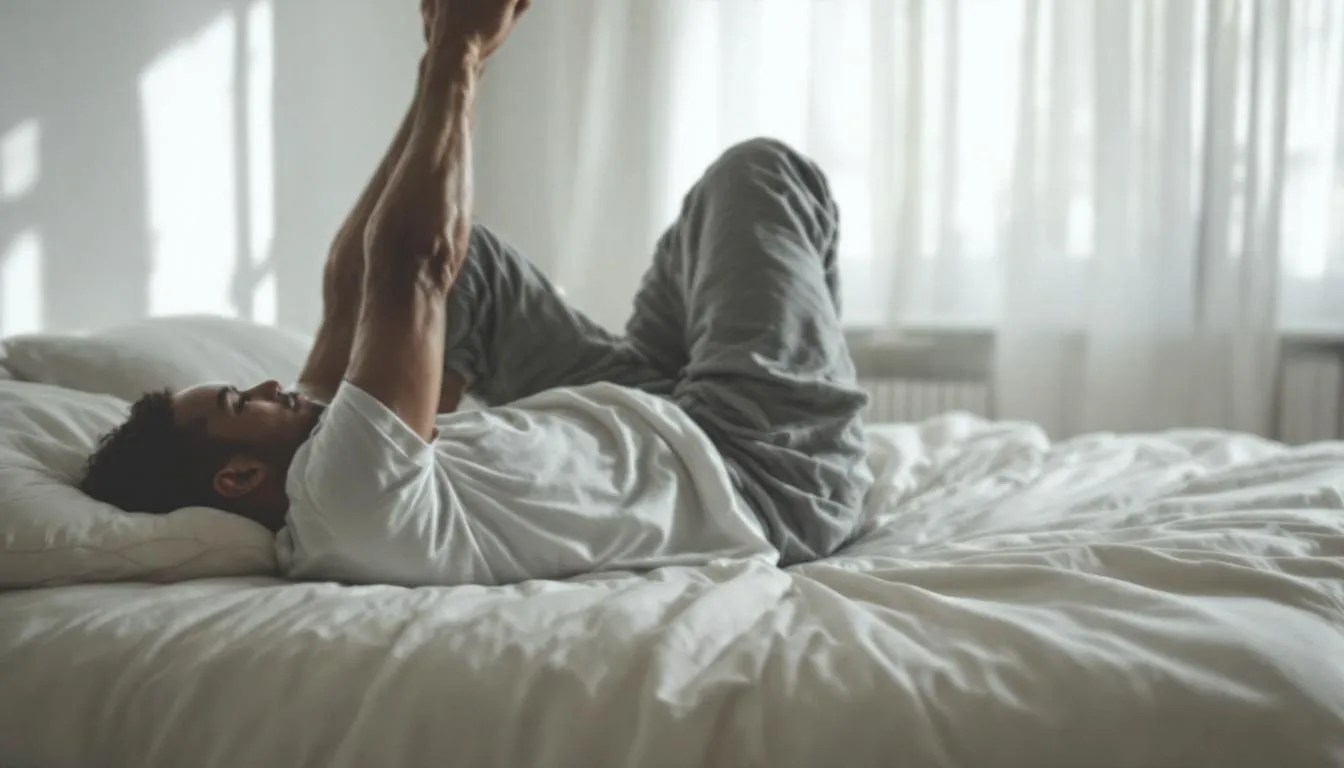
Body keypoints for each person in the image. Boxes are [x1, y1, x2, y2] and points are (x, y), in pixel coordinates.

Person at [79, 0, 873, 587]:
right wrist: (463, 52)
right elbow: (411, 267)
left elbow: (350, 283)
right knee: (758, 173)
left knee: (461, 266)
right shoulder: (344, 496)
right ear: (237, 478)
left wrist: (437, 62)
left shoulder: (317, 469)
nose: (263, 384)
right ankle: (818, 415)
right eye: (236, 402)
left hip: (652, 413)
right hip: (758, 469)